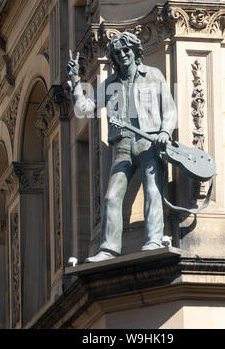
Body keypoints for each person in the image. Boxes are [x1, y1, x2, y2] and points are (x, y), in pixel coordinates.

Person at [67, 31, 177, 262]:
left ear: (135, 52)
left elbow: (169, 110)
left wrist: (165, 132)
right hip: (123, 145)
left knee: (153, 190)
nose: (122, 54)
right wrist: (76, 82)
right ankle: (108, 248)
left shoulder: (153, 76)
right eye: (117, 52)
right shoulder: (110, 84)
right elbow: (86, 108)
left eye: (126, 50)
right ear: (113, 58)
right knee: (111, 197)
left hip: (149, 142)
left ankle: (154, 239)